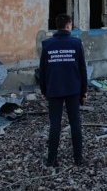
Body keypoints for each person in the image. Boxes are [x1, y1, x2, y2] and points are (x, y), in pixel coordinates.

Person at [39, 13, 88, 167]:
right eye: (71, 25)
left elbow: (42, 70)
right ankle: (78, 158)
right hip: (73, 90)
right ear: (68, 25)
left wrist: (44, 90)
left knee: (55, 124)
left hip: (54, 90)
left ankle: (51, 159)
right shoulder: (76, 43)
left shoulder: (47, 45)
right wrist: (83, 92)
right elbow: (82, 69)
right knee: (75, 123)